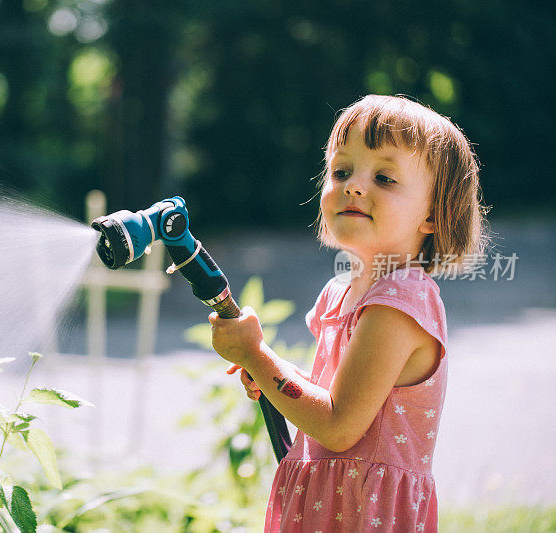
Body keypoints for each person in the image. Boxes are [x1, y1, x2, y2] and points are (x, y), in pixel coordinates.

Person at [210, 94, 490, 532]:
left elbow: (339, 426)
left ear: (433, 214)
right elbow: (333, 394)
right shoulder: (341, 294)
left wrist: (260, 358)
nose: (354, 185)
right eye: (341, 171)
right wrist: (266, 367)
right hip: (332, 503)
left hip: (366, 513)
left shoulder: (399, 303)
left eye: (384, 177)